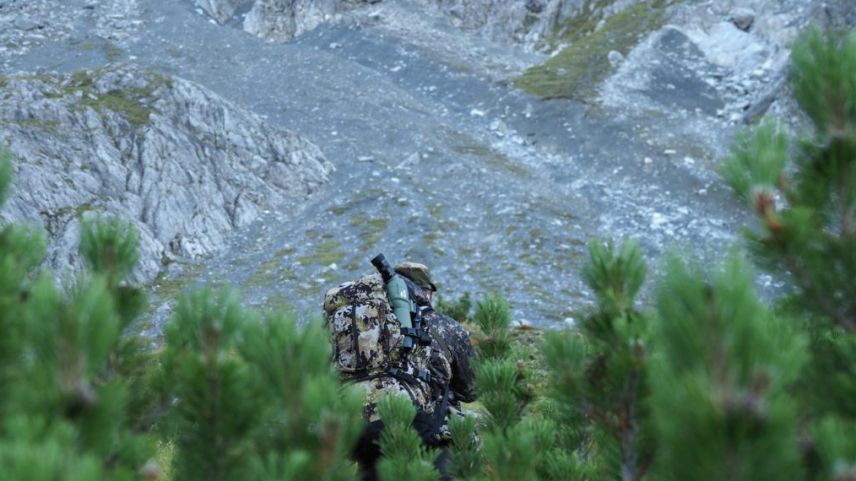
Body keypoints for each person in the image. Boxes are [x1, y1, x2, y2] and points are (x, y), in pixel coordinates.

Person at [327, 260, 477, 481]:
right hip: (426, 438)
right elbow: (472, 389)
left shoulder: (358, 326)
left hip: (360, 434)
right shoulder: (442, 325)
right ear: (427, 293)